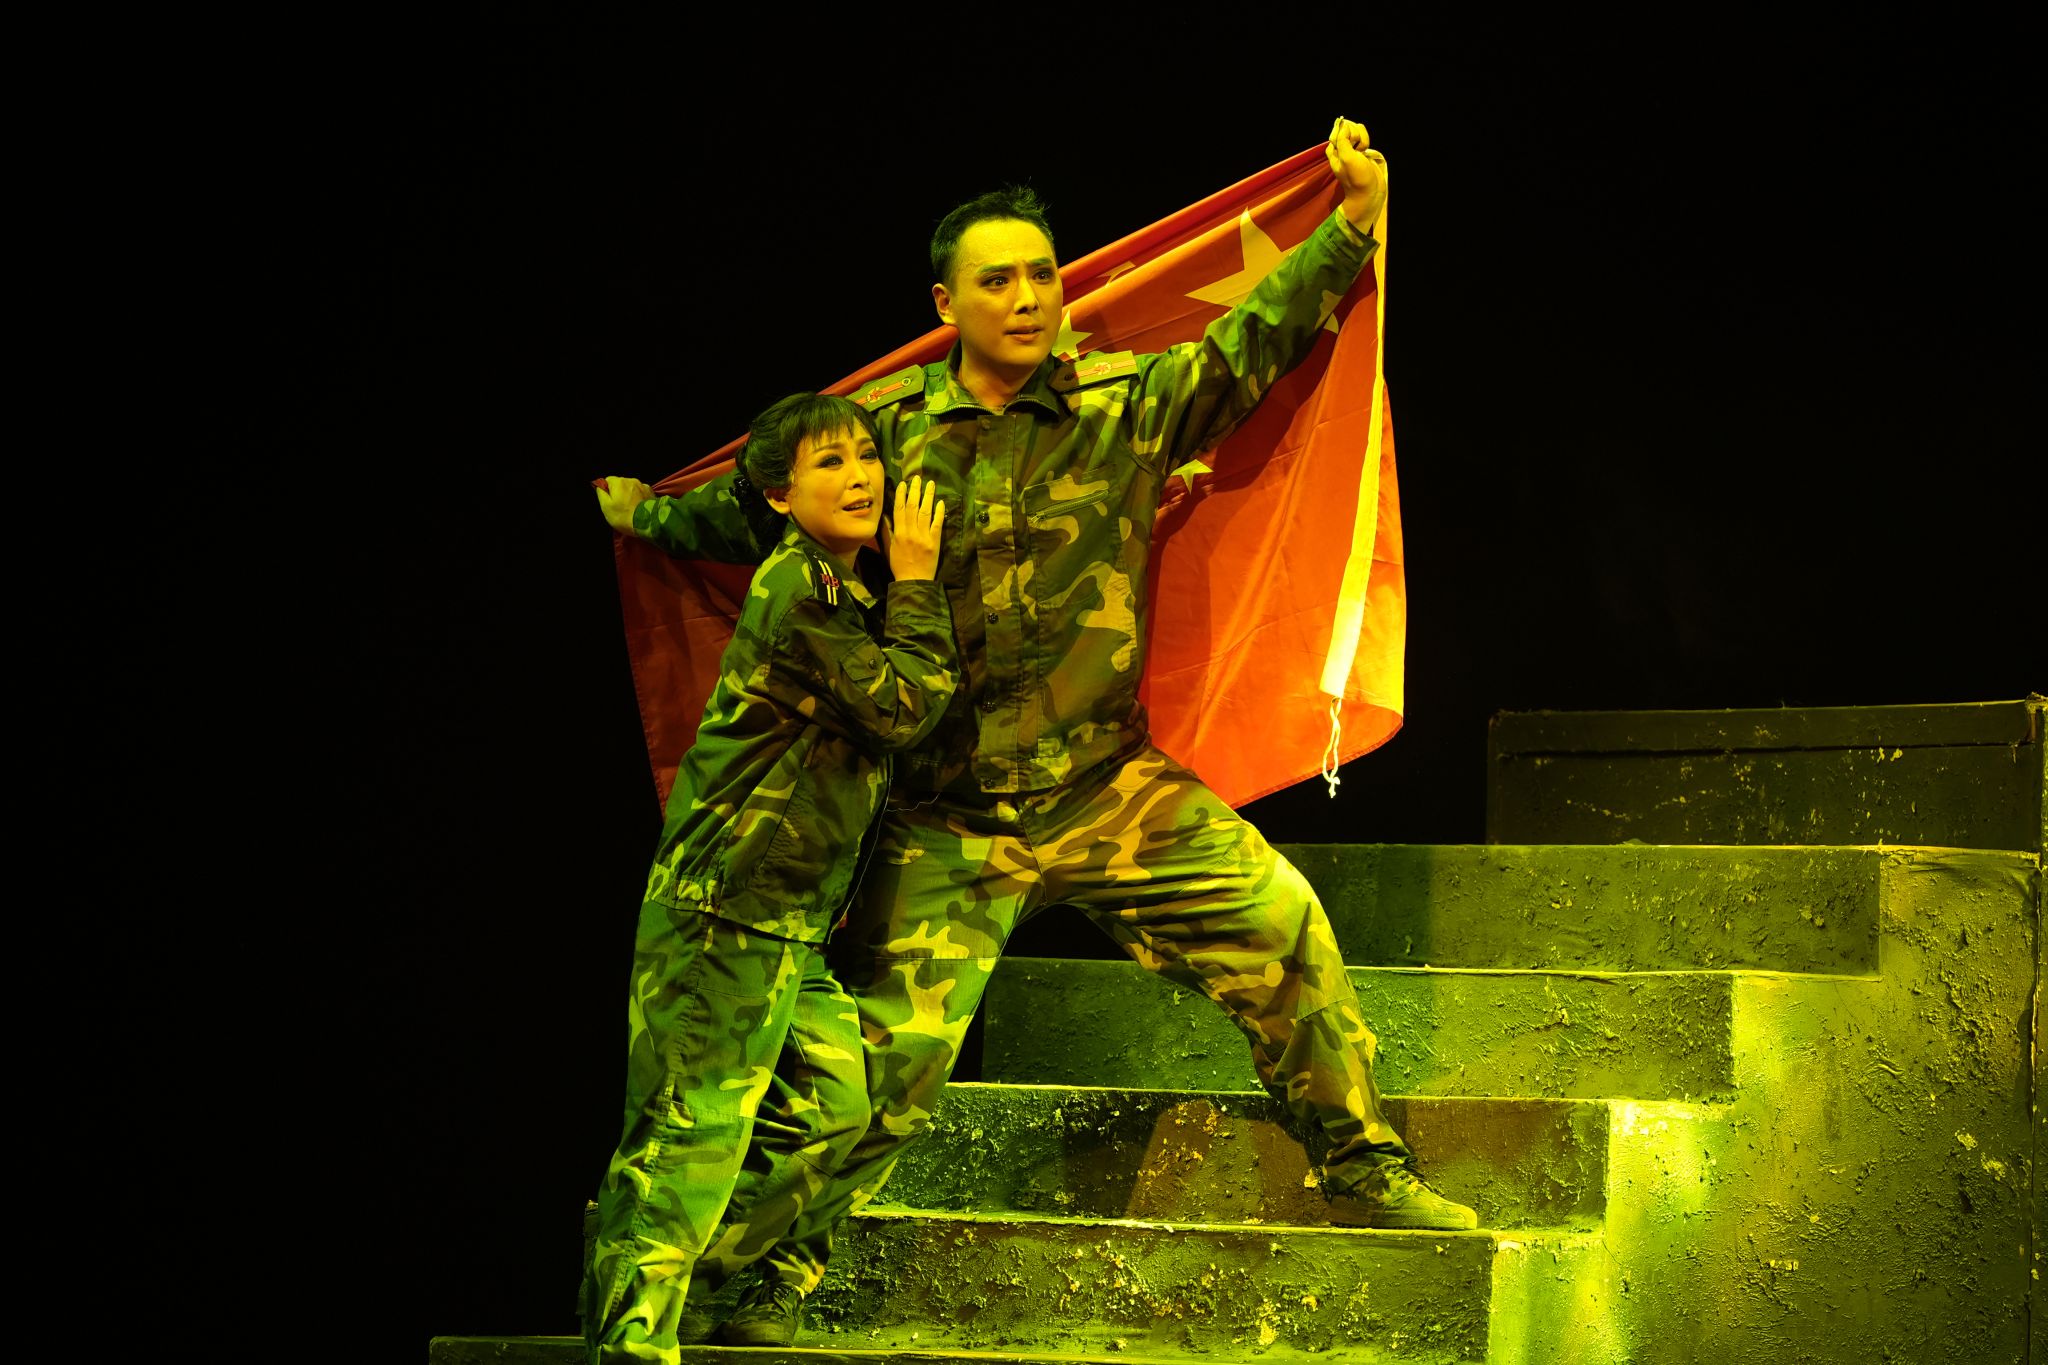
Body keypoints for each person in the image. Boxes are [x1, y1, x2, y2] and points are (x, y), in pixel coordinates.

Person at [604, 119, 1473, 1348]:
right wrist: (645, 516)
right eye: (997, 281)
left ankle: (1361, 1167)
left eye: (1041, 275)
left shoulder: (1122, 408)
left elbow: (1247, 345)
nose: (1026, 298)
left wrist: (1349, 227)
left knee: (1284, 929)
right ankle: (753, 1284)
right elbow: (758, 509)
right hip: (950, 817)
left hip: (1106, 788)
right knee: (879, 1079)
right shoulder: (883, 436)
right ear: (945, 304)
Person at [584, 393, 955, 1360]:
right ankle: (630, 1338)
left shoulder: (836, 583)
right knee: (690, 1130)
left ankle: (666, 1268)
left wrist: (650, 514)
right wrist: (918, 582)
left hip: (790, 915)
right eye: (830, 464)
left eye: (867, 456)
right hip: (726, 907)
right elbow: (901, 707)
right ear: (782, 496)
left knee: (834, 1108)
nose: (862, 476)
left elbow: (726, 514)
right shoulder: (799, 591)